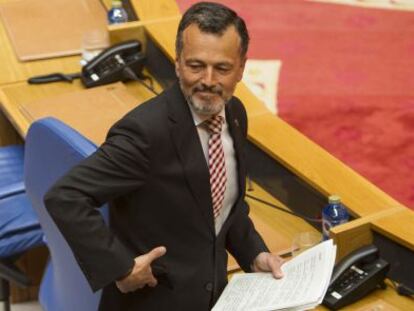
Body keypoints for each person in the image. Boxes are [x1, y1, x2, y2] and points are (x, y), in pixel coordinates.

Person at [44, 2, 284, 310]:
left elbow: (223, 205)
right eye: (195, 65)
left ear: (241, 68)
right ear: (178, 63)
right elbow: (66, 196)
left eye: (222, 68)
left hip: (213, 297)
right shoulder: (145, 133)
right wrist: (120, 268)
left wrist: (254, 254)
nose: (208, 80)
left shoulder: (234, 114)